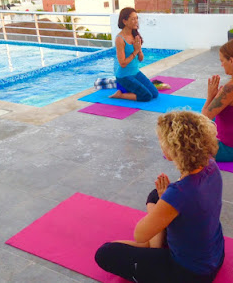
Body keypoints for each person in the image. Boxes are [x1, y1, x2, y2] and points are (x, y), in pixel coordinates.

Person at [95, 111, 224, 283]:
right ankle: (157, 242)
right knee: (155, 195)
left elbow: (140, 235)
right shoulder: (211, 166)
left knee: (105, 253)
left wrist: (162, 206)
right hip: (215, 256)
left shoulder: (179, 193)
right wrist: (164, 201)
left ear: (173, 149)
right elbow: (185, 200)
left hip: (191, 274)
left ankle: (155, 247)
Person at [109, 7, 159, 102]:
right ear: (124, 21)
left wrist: (139, 50)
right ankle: (120, 95)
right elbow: (122, 63)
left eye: (136, 18)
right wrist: (135, 51)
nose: (136, 21)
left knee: (155, 94)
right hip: (124, 76)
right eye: (133, 19)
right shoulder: (119, 39)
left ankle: (129, 91)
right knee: (146, 96)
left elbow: (141, 59)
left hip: (135, 73)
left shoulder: (134, 35)